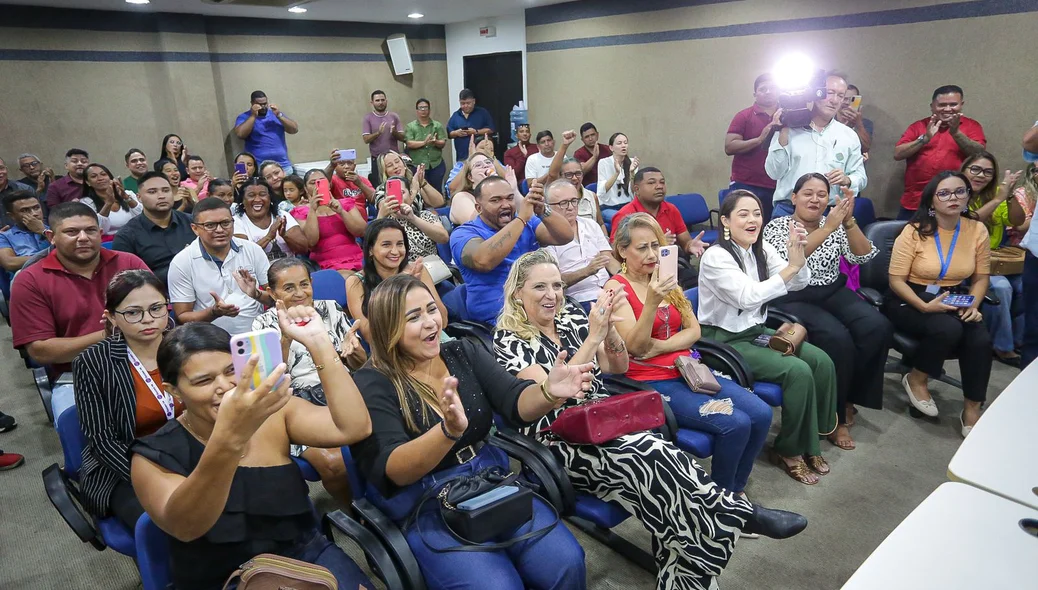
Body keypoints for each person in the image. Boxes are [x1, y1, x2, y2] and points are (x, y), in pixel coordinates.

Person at [496, 251, 805, 589]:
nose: (552, 295)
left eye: (557, 285)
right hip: (560, 439)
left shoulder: (570, 316)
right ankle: (734, 517)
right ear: (517, 293)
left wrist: (610, 332)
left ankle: (686, 574)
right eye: (540, 287)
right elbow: (557, 394)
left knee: (665, 473)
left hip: (606, 419)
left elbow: (618, 369)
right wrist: (594, 337)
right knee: (654, 455)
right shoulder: (509, 339)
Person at [350, 273, 591, 590]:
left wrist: (548, 391)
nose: (431, 322)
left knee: (567, 562)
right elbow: (393, 470)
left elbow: (515, 400)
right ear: (388, 329)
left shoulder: (461, 351)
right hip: (427, 501)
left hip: (488, 479)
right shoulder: (372, 382)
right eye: (414, 317)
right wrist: (446, 432)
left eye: (431, 309)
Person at [130, 316, 373, 590]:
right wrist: (230, 436)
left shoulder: (272, 413)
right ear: (174, 391)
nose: (225, 387)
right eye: (204, 381)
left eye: (232, 370)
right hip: (223, 580)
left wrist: (319, 344)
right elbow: (188, 526)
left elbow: (354, 427)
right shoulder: (152, 457)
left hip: (306, 558)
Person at [604, 215, 773, 492]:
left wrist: (659, 346)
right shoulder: (616, 288)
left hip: (688, 369)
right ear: (622, 250)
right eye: (642, 247)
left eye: (656, 246)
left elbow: (694, 331)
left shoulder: (664, 279)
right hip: (649, 380)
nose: (651, 254)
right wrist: (652, 304)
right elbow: (634, 347)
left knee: (762, 413)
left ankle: (735, 492)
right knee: (737, 424)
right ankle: (718, 504)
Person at [698, 190, 838, 485]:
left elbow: (799, 282)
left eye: (757, 214)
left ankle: (812, 438)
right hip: (724, 340)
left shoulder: (760, 250)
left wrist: (796, 258)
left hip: (756, 331)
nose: (753, 220)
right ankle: (788, 451)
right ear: (725, 220)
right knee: (797, 371)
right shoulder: (715, 256)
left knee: (822, 361)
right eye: (743, 214)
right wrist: (791, 269)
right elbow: (748, 297)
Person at [762, 173, 891, 450]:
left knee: (876, 326)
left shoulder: (833, 223)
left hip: (832, 289)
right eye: (807, 193)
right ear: (794, 197)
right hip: (794, 295)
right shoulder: (777, 226)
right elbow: (792, 260)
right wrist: (830, 227)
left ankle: (849, 398)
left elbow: (863, 254)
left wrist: (848, 222)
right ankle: (834, 417)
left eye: (822, 194)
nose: (815, 199)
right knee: (837, 339)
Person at [11, 202, 149, 421]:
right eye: (71, 232)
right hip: (77, 375)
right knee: (80, 426)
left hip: (144, 362)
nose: (83, 238)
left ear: (100, 233)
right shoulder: (30, 280)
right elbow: (40, 351)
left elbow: (159, 315)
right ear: (51, 237)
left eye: (90, 230)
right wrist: (108, 335)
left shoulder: (128, 263)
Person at [885, 171, 992, 437]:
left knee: (979, 338)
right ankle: (917, 377)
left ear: (968, 196)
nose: (953, 198)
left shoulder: (976, 229)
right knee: (947, 328)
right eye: (944, 193)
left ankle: (972, 407)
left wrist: (973, 305)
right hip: (909, 296)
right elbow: (895, 280)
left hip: (955, 295)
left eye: (960, 191)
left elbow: (981, 277)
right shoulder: (913, 231)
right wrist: (924, 307)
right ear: (932, 202)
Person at [73, 270, 183, 530]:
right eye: (133, 313)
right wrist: (152, 477)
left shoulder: (185, 347)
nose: (148, 320)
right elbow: (102, 440)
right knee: (168, 521)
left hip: (189, 451)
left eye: (156, 308)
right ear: (112, 318)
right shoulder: (93, 362)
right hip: (124, 465)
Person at [253, 258, 366, 506]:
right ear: (271, 292)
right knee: (335, 464)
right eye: (289, 287)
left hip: (343, 386)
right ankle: (355, 512)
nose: (299, 293)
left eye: (304, 284)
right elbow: (270, 383)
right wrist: (284, 338)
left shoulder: (331, 308)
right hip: (298, 402)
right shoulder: (263, 324)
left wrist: (354, 352)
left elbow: (360, 364)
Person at [450, 176, 573, 324]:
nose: (506, 205)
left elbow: (565, 236)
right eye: (496, 200)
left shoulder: (527, 222)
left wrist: (542, 209)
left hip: (541, 309)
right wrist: (521, 219)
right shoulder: (463, 234)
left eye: (509, 198)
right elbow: (483, 261)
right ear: (478, 208)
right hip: (500, 319)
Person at [765, 73, 866, 219]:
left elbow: (860, 176)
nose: (834, 100)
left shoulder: (848, 136)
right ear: (815, 92)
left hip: (830, 211)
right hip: (789, 210)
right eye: (829, 93)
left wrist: (847, 180)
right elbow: (774, 172)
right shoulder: (788, 128)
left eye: (840, 95)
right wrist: (783, 131)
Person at [168, 198, 273, 335]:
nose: (220, 230)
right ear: (195, 229)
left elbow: (275, 297)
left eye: (225, 223)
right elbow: (183, 316)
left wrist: (256, 294)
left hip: (257, 333)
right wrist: (214, 312)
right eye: (210, 225)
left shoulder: (252, 250)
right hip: (210, 341)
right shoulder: (182, 262)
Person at [961, 152, 1024, 366]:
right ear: (964, 170)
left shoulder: (996, 193)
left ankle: (1020, 340)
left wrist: (1009, 195)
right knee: (1001, 288)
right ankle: (1002, 346)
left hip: (995, 259)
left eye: (988, 172)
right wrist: (998, 198)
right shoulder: (955, 191)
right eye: (975, 169)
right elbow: (970, 222)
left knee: (1027, 284)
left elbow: (1017, 220)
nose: (981, 176)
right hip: (962, 260)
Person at [345, 218, 449, 344]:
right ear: (370, 250)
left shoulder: (417, 271)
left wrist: (418, 288)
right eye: (386, 244)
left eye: (400, 244)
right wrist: (399, 290)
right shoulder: (355, 283)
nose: (395, 251)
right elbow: (370, 336)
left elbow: (443, 319)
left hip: (435, 341)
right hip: (394, 352)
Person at [894, 85, 987, 219]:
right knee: (909, 238)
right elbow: (898, 154)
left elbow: (979, 154)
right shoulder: (919, 126)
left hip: (955, 200)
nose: (948, 109)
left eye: (953, 104)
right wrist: (924, 139)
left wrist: (956, 133)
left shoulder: (972, 126)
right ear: (932, 106)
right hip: (916, 201)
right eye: (942, 105)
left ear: (961, 105)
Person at [111, 171, 196, 289]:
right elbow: (125, 282)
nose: (161, 196)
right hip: (158, 295)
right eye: (152, 192)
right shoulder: (127, 235)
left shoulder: (194, 223)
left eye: (166, 190)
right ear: (139, 197)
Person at [544, 180, 616, 308]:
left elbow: (608, 259)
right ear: (547, 206)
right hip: (576, 300)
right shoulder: (546, 235)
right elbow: (553, 282)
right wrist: (587, 271)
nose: (571, 207)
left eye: (574, 201)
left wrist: (624, 276)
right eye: (563, 203)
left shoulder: (591, 225)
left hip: (608, 290)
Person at [610, 167, 707, 258]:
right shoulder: (625, 215)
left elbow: (685, 242)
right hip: (639, 271)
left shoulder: (671, 209)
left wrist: (690, 246)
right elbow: (617, 254)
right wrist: (657, 244)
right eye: (651, 183)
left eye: (662, 182)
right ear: (637, 189)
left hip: (671, 264)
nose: (659, 186)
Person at [725, 73, 781, 220]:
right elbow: (729, 147)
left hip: (778, 186)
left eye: (772, 88)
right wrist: (759, 139)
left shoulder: (788, 115)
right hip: (747, 184)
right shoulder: (744, 116)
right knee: (744, 229)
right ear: (755, 94)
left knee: (772, 232)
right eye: (763, 89)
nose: (768, 91)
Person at [292, 169, 367, 275]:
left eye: (321, 182)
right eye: (313, 183)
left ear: (329, 184)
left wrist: (341, 212)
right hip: (325, 263)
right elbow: (311, 241)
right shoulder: (301, 211)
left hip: (356, 257)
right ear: (305, 188)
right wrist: (312, 210)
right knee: (348, 278)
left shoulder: (345, 203)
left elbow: (361, 231)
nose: (317, 186)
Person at [371, 170, 448, 263]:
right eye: (390, 194)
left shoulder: (425, 215)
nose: (396, 197)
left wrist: (413, 219)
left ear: (411, 194)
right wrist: (381, 216)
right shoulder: (382, 221)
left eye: (402, 193)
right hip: (396, 272)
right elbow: (370, 250)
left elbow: (444, 238)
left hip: (428, 269)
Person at [233, 178, 308, 260]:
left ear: (270, 198)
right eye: (251, 195)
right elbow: (243, 255)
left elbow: (304, 249)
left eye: (262, 194)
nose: (257, 199)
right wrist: (269, 237)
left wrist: (285, 235)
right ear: (242, 200)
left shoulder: (282, 215)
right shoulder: (237, 221)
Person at [233, 90, 298, 174]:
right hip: (259, 167)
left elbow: (294, 130)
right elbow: (240, 134)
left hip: (283, 165)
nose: (263, 107)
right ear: (252, 103)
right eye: (259, 104)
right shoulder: (244, 117)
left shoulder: (275, 114)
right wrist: (253, 116)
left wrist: (279, 116)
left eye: (265, 104)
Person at [447, 150, 511, 226]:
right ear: (470, 177)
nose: (485, 166)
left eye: (488, 162)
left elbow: (521, 215)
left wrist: (513, 189)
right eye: (478, 165)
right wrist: (486, 188)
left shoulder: (503, 192)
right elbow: (476, 224)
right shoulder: (461, 197)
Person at [80, 163, 143, 238]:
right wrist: (108, 204)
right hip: (108, 243)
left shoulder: (128, 194)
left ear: (110, 178)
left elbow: (143, 217)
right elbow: (98, 229)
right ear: (88, 182)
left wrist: (126, 197)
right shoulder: (86, 202)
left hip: (135, 236)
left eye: (103, 174)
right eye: (94, 176)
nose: (100, 178)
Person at [404, 98, 448, 194]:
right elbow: (409, 143)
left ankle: (438, 208)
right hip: (418, 165)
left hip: (436, 164)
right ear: (417, 110)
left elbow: (443, 142)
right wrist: (424, 143)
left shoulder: (437, 125)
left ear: (429, 110)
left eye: (425, 108)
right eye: (421, 108)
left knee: (437, 191)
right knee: (420, 191)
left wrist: (435, 142)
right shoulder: (410, 126)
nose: (423, 110)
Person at [376, 151, 446, 210]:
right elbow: (397, 210)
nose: (396, 166)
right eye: (390, 165)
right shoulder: (382, 190)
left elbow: (439, 203)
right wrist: (414, 190)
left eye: (397, 162)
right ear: (385, 172)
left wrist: (422, 183)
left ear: (404, 165)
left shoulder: (413, 183)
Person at [363, 90, 405, 186]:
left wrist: (394, 132)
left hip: (393, 159)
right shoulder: (368, 118)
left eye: (382, 100)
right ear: (372, 102)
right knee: (379, 186)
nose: (380, 102)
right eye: (377, 100)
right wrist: (378, 133)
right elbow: (366, 139)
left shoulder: (394, 116)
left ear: (386, 101)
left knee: (398, 184)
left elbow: (403, 138)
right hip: (377, 160)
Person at [0, 191, 49, 272]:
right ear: (11, 216)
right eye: (25, 210)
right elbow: (10, 263)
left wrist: (43, 231)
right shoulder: (4, 236)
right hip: (26, 279)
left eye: (36, 208)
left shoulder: (55, 229)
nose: (34, 214)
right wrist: (51, 256)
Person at [447, 88, 495, 162]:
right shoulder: (456, 115)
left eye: (468, 103)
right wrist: (456, 133)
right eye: (463, 103)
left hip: (481, 157)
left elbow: (491, 129)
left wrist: (476, 132)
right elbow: (449, 133)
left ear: (474, 101)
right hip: (462, 157)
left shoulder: (482, 113)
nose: (465, 106)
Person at [597, 133, 639, 211]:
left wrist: (632, 172)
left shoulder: (632, 162)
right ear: (611, 147)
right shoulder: (603, 163)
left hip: (628, 205)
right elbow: (601, 191)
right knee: (621, 218)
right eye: (619, 143)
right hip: (608, 206)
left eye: (625, 143)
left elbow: (634, 192)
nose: (623, 146)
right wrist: (617, 173)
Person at [837, 84, 873, 157]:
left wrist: (858, 124)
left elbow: (865, 149)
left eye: (852, 100)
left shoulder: (865, 123)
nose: (847, 103)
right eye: (844, 98)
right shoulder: (828, 120)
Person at [573, 122, 612, 187]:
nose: (590, 139)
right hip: (588, 189)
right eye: (587, 137)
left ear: (597, 135)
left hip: (607, 186)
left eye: (592, 135)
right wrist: (594, 157)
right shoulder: (579, 153)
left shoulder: (607, 149)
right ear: (582, 140)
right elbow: (581, 172)